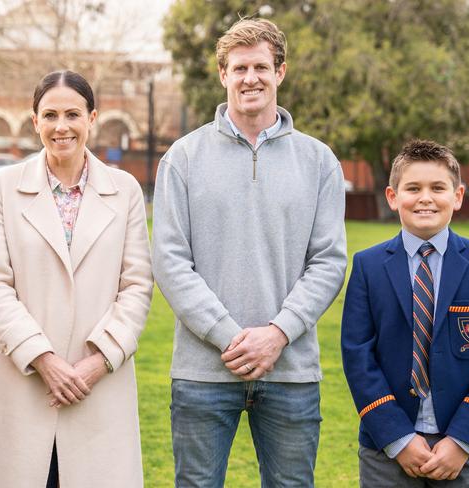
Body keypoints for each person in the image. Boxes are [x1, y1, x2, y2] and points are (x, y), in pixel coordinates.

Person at [152, 18, 347, 487]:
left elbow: (328, 261)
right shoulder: (183, 157)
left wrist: (278, 334)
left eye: (261, 66)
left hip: (291, 372)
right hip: (203, 373)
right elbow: (170, 260)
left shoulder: (319, 161)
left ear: (280, 72)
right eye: (239, 68)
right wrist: (228, 337)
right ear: (223, 75)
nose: (250, 78)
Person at [0, 70, 153, 488]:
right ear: (34, 121)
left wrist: (97, 363)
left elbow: (136, 285)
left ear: (92, 118)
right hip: (21, 381)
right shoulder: (4, 187)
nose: (61, 126)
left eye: (72, 114)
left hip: (96, 386)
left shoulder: (125, 190)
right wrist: (44, 361)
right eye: (50, 115)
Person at [341, 140, 469, 487]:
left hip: (466, 447)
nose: (425, 198)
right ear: (393, 197)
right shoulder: (368, 265)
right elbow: (358, 356)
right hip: (387, 448)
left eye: (438, 188)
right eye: (413, 188)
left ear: (458, 196)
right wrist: (398, 438)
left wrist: (462, 439)